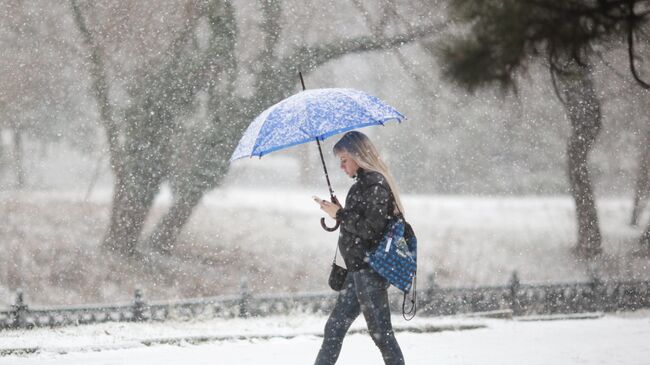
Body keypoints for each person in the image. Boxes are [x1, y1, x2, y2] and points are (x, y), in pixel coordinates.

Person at [314, 131, 405, 365]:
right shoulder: (364, 184)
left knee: (382, 335)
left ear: (358, 156)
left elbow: (370, 229)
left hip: (370, 272)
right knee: (334, 327)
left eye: (344, 160)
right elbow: (362, 221)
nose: (342, 167)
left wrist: (341, 214)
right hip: (358, 271)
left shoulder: (375, 183)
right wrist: (340, 212)